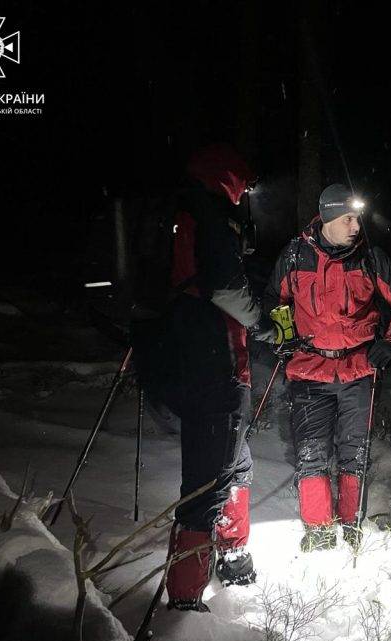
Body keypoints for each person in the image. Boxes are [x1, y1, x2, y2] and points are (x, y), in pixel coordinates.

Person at [264, 184, 391, 551]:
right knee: (312, 452)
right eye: (347, 218)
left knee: (353, 451)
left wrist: (390, 343)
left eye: (357, 218)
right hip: (308, 370)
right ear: (328, 218)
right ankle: (319, 530)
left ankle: (351, 525)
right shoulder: (295, 255)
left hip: (358, 372)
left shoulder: (369, 257)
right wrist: (283, 335)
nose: (355, 226)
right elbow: (274, 299)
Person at [162, 143, 261, 611]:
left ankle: (234, 554)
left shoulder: (180, 213)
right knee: (206, 481)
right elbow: (226, 287)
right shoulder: (209, 213)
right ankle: (184, 597)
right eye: (243, 188)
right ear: (232, 179)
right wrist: (262, 321)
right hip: (215, 365)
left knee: (235, 464)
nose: (244, 197)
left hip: (186, 359)